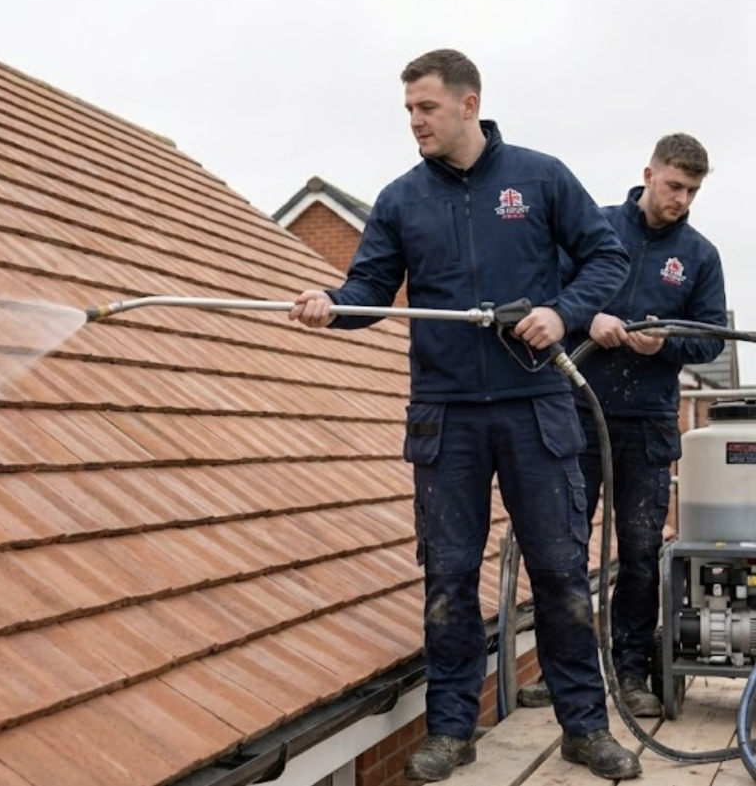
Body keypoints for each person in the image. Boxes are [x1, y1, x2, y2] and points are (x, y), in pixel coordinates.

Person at [289, 49, 640, 782]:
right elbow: (369, 288)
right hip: (445, 414)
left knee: (561, 570)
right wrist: (330, 304)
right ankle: (453, 730)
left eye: (425, 107)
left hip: (535, 406)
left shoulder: (539, 178)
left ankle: (584, 727)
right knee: (448, 577)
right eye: (408, 111)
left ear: (467, 103)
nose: (414, 121)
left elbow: (606, 258)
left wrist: (562, 311)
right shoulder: (400, 199)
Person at [570, 134, 726, 717]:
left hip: (648, 422)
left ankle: (631, 674)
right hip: (579, 412)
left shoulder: (700, 255)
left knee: (639, 551)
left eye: (692, 191)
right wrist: (593, 317)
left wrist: (665, 341)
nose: (681, 199)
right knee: (562, 550)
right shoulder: (596, 228)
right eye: (674, 186)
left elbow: (710, 338)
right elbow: (552, 298)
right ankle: (570, 676)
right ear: (649, 174)